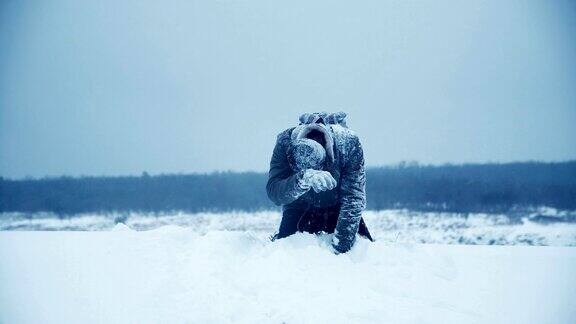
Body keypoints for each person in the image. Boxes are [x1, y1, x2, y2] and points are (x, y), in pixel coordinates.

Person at [267, 112, 373, 254]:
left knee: (363, 251)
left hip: (338, 206)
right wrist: (302, 180)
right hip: (298, 207)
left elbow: (353, 198)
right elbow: (274, 192)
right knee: (286, 251)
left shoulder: (348, 144)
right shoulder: (285, 142)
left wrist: (340, 249)